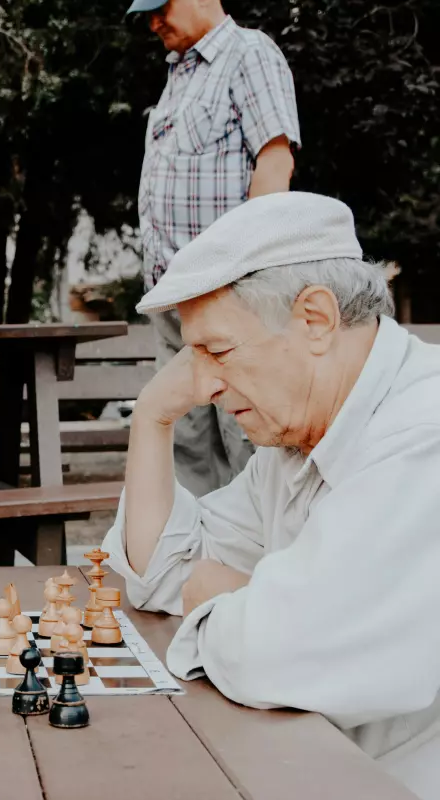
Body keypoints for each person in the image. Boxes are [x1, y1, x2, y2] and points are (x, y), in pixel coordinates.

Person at [101, 192, 440, 800]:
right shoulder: (298, 439)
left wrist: (239, 598)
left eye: (217, 351)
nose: (206, 386)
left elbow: (277, 653)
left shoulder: (421, 438)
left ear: (314, 319)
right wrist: (153, 422)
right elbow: (157, 573)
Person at [129, 0, 300, 496]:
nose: (152, 21)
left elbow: (274, 163)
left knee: (245, 437)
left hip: (227, 293)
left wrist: (244, 276)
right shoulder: (178, 73)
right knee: (185, 443)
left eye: (160, 7)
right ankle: (197, 565)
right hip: (171, 296)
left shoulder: (249, 54)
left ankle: (257, 567)